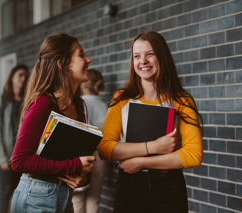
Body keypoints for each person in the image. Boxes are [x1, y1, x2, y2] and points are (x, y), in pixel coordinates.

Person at [98, 31, 203, 213]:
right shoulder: (122, 98)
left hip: (169, 188)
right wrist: (153, 147)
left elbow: (193, 155)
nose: (142, 61)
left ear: (162, 57)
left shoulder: (182, 100)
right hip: (129, 188)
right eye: (136, 56)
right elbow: (105, 149)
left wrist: (141, 162)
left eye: (150, 54)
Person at [10, 33, 96, 213]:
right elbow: (19, 161)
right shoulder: (43, 104)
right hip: (35, 197)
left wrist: (83, 177)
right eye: (81, 55)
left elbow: (70, 159)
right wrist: (75, 166)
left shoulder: (78, 106)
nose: (88, 59)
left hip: (64, 196)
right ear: (63, 64)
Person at [0, 64, 29, 213]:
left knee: (23, 197)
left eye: (26, 76)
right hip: (8, 159)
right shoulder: (1, 102)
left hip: (25, 158)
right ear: (12, 77)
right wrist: (1, 158)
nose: (23, 78)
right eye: (20, 75)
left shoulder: (29, 102)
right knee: (6, 194)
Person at [72, 69, 107, 213]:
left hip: (83, 156)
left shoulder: (79, 103)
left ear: (84, 85)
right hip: (101, 156)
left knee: (77, 200)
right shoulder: (105, 105)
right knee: (94, 199)